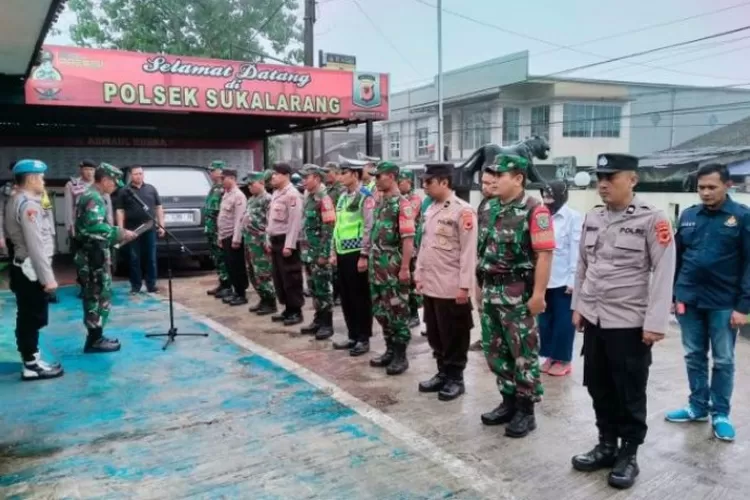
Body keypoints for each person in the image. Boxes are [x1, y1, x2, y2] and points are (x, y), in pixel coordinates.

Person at [571, 153, 675, 490]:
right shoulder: (593, 217)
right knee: (598, 385)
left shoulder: (652, 219)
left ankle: (628, 453)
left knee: (629, 390)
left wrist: (656, 321)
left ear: (632, 179)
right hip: (596, 318)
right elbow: (583, 264)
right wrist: (579, 306)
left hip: (629, 321)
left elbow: (664, 272)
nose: (603, 183)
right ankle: (606, 445)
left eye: (611, 177)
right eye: (600, 176)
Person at [666, 163, 750, 442]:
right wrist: (673, 295)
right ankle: (697, 407)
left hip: (724, 302)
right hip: (689, 299)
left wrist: (743, 306)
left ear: (728, 186)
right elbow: (677, 257)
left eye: (711, 187)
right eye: (701, 187)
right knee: (693, 355)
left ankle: (721, 413)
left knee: (724, 360)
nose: (705, 192)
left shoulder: (742, 218)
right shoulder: (689, 217)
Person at [478, 154, 554, 438]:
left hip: (518, 293)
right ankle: (508, 401)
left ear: (518, 178)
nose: (494, 181)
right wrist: (478, 288)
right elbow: (481, 251)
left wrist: (539, 295)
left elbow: (544, 255)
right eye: (492, 176)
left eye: (500, 175)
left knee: (523, 352)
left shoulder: (535, 210)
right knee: (495, 351)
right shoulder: (488, 207)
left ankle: (526, 409)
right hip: (490, 290)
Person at [414, 163, 477, 401]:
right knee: (436, 332)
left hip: (452, 285)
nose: (425, 186)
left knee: (454, 334)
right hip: (431, 283)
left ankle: (455, 378)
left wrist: (464, 286)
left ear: (444, 182)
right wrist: (418, 273)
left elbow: (469, 253)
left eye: (428, 182)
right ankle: (442, 372)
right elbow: (425, 245)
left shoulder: (463, 211)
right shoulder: (431, 208)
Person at [4, 159, 63, 380]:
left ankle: (32, 359)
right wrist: (48, 279)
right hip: (31, 269)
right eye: (41, 177)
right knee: (31, 317)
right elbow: (35, 245)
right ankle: (31, 365)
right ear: (31, 178)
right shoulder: (28, 204)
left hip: (22, 267)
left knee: (27, 316)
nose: (43, 180)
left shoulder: (15, 199)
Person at [75, 163, 137, 353]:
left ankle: (97, 336)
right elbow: (94, 228)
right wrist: (120, 232)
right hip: (93, 257)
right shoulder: (94, 198)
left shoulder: (94, 196)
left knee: (98, 294)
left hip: (95, 254)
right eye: (113, 182)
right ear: (104, 180)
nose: (115, 187)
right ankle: (94, 340)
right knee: (95, 295)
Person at [369, 161, 416, 375]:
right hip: (377, 266)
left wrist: (405, 268)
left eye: (379, 176)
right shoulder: (381, 203)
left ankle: (400, 354)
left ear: (391, 176)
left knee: (397, 310)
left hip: (393, 268)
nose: (375, 180)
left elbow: (408, 240)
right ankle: (389, 349)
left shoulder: (402, 204)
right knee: (380, 310)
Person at [330, 161, 375, 356]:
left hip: (357, 252)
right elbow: (337, 225)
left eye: (344, 173)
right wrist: (333, 251)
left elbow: (368, 226)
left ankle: (363, 338)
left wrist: (364, 254)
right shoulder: (341, 198)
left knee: (360, 297)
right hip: (342, 252)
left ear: (355, 175)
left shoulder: (365, 196)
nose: (340, 176)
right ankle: (352, 334)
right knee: (346, 296)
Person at [538, 181, 582, 376]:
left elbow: (576, 250)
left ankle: (563, 359)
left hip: (564, 280)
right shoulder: (540, 216)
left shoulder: (573, 217)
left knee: (563, 322)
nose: (548, 202)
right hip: (544, 278)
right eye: (545, 198)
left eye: (551, 198)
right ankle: (549, 355)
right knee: (544, 322)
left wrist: (574, 280)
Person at [299, 164, 337, 339]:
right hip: (308, 251)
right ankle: (318, 319)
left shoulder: (324, 198)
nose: (303, 181)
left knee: (323, 288)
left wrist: (324, 254)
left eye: (306, 177)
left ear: (316, 177)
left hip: (319, 253)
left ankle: (326, 324)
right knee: (313, 287)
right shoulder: (309, 197)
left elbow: (329, 229)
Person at [115, 165, 165, 294]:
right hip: (132, 231)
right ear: (131, 175)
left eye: (141, 173)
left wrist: (161, 225)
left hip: (149, 228)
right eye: (136, 174)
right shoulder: (124, 191)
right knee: (134, 258)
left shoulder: (151, 189)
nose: (139, 176)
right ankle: (135, 286)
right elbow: (120, 211)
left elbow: (158, 207)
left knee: (151, 258)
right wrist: (121, 230)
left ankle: (151, 285)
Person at [267, 162, 305, 326]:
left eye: (276, 174)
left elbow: (294, 222)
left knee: (291, 277)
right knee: (279, 278)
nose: (273, 177)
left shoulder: (292, 195)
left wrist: (289, 245)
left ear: (286, 175)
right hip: (275, 240)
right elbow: (270, 220)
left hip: (286, 242)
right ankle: (288, 309)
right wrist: (268, 240)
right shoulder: (276, 193)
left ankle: (296, 311)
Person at [469, 170, 499, 351]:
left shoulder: (504, 205)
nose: (485, 187)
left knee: (497, 306)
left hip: (499, 266)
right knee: (481, 303)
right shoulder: (484, 204)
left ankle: (498, 341)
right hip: (481, 262)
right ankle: (487, 338)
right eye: (483, 183)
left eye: (489, 183)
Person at [242, 170, 277, 315]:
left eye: (252, 183)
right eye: (248, 184)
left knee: (263, 272)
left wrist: (267, 240)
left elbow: (270, 221)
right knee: (252, 272)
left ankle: (270, 301)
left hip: (260, 241)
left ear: (261, 183)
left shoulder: (268, 199)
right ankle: (263, 298)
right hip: (250, 240)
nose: (249, 187)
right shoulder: (251, 199)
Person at [64, 159, 98, 297]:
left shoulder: (99, 184)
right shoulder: (72, 184)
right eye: (86, 169)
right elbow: (67, 207)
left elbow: (107, 206)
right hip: (79, 228)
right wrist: (69, 226)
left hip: (97, 227)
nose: (89, 172)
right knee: (81, 259)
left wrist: (110, 224)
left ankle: (97, 286)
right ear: (81, 170)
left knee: (97, 257)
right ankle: (84, 286)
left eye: (91, 170)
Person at [217, 169, 249, 306]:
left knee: (237, 266)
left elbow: (239, 219)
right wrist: (220, 236)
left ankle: (241, 294)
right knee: (230, 266)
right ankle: (235, 291)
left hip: (233, 236)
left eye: (223, 178)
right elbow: (222, 217)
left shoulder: (238, 196)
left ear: (231, 178)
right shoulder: (227, 194)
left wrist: (237, 238)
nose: (221, 181)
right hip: (225, 235)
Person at [398, 169, 423, 329]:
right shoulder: (397, 199)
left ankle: (414, 313)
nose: (399, 185)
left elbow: (411, 216)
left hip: (412, 247)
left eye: (401, 182)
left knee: (412, 282)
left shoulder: (414, 199)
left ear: (409, 182)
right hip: (399, 248)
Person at [204, 160, 231, 298]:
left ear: (220, 171)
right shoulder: (214, 187)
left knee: (223, 258)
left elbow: (223, 212)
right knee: (216, 258)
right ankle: (222, 282)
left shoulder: (223, 189)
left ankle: (228, 285)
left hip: (219, 230)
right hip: (211, 229)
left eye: (213, 170)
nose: (210, 173)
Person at [324, 162, 344, 305]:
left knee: (337, 267)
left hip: (338, 230)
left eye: (328, 172)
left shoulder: (340, 190)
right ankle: (334, 292)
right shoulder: (327, 189)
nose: (326, 175)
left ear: (336, 173)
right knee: (331, 266)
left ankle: (339, 294)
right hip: (328, 230)